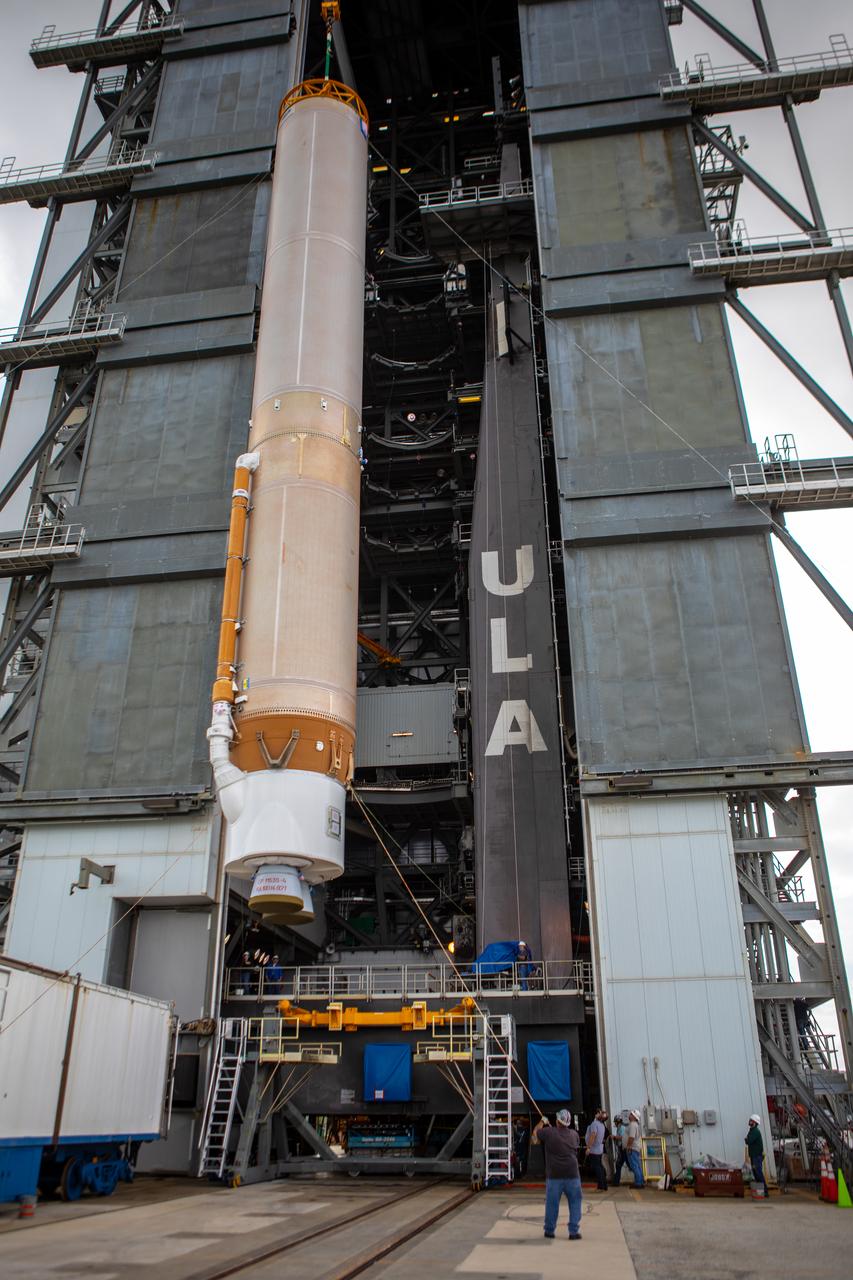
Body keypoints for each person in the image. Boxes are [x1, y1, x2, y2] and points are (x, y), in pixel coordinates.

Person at [532, 1109, 583, 1240]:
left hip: (554, 1176)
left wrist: (542, 1121)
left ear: (557, 1120)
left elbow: (535, 1134)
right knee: (575, 1202)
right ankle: (573, 1232)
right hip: (572, 1174)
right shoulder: (574, 1135)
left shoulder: (549, 1132)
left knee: (552, 1204)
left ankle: (549, 1230)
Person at [585, 1108, 609, 1191]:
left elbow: (593, 1135)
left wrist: (588, 1147)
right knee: (600, 1166)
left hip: (594, 1149)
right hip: (599, 1149)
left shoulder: (594, 1124)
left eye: (598, 1113)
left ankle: (601, 1186)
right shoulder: (602, 1125)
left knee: (597, 1167)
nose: (597, 1114)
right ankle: (603, 1185)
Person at [623, 1108, 645, 1187]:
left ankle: (638, 1183)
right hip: (635, 1148)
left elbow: (631, 1137)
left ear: (634, 1117)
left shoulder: (632, 1124)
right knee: (637, 1165)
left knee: (634, 1165)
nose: (630, 1115)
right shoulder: (635, 1125)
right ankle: (641, 1181)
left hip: (632, 1148)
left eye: (631, 1114)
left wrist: (628, 1146)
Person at [746, 1114, 766, 1194]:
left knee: (758, 1173)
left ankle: (764, 1191)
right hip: (753, 1156)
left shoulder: (755, 1131)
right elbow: (748, 1140)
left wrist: (747, 1139)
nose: (749, 1122)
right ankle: (760, 1191)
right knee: (755, 1172)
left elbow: (749, 1140)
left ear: (754, 1122)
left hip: (756, 1156)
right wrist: (747, 1140)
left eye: (751, 1120)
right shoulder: (752, 1130)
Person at [611, 1112, 629, 1186]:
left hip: (623, 1149)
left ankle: (640, 1179)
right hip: (621, 1148)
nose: (614, 1123)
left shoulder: (622, 1128)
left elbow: (622, 1137)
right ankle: (616, 1182)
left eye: (615, 1122)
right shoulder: (619, 1128)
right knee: (618, 1165)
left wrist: (614, 1137)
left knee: (630, 1165)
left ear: (617, 1121)